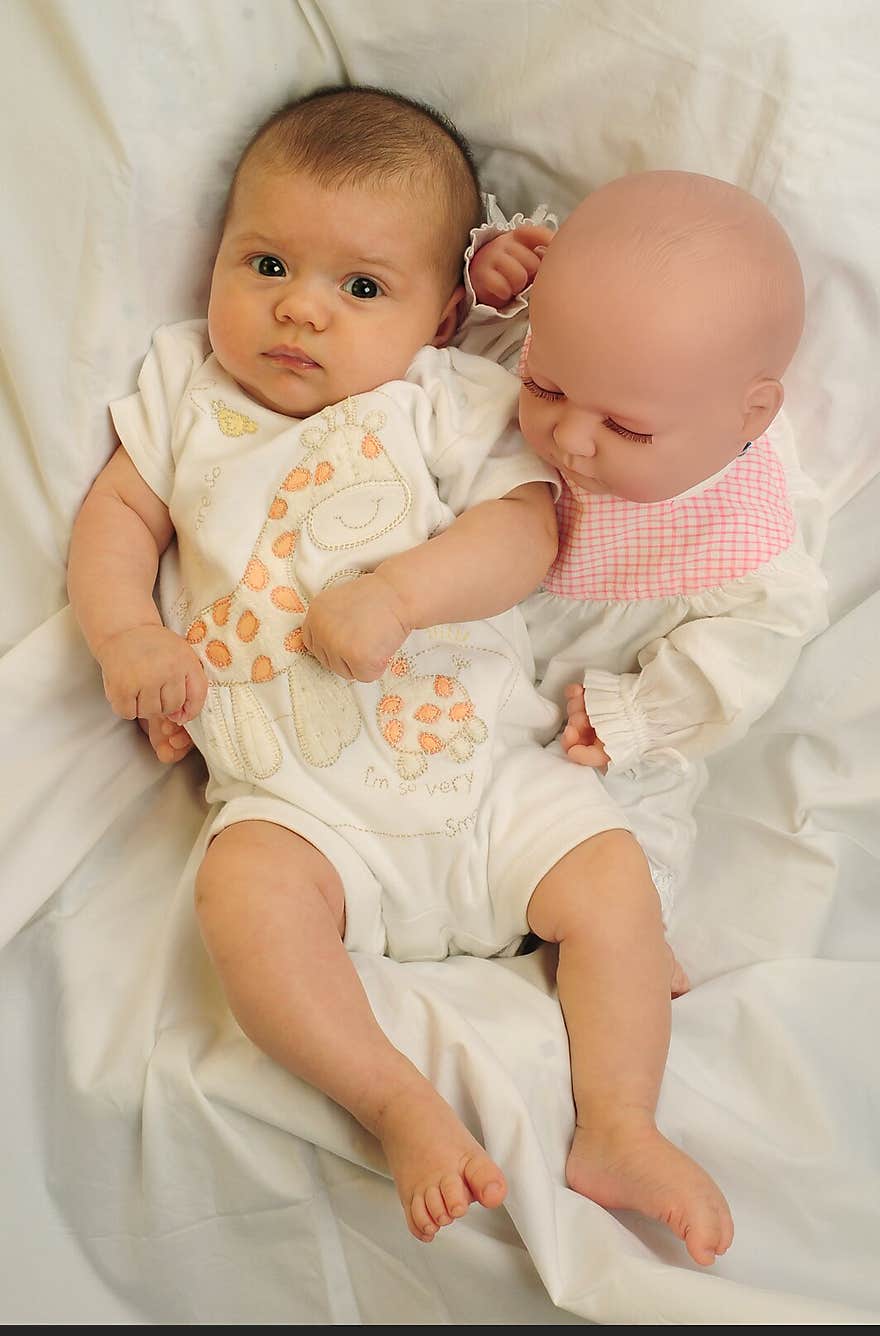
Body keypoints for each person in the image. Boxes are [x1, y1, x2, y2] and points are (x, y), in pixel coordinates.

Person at [68, 89, 733, 1266]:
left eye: (360, 287)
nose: (299, 309)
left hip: (483, 779)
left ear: (439, 317)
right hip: (302, 811)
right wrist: (129, 636)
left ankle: (619, 1122)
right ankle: (396, 1106)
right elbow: (118, 517)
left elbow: (530, 533)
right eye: (265, 261)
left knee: (612, 884)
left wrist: (402, 595)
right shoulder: (184, 389)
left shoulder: (445, 401)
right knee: (243, 907)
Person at [465, 170, 828, 927]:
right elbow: (458, 351)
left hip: (594, 716)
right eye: (545, 385)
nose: (568, 437)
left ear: (749, 414)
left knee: (643, 809)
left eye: (626, 429)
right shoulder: (571, 338)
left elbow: (745, 656)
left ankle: (630, 931)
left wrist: (635, 716)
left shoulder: (741, 538)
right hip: (455, 641)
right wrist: (485, 284)